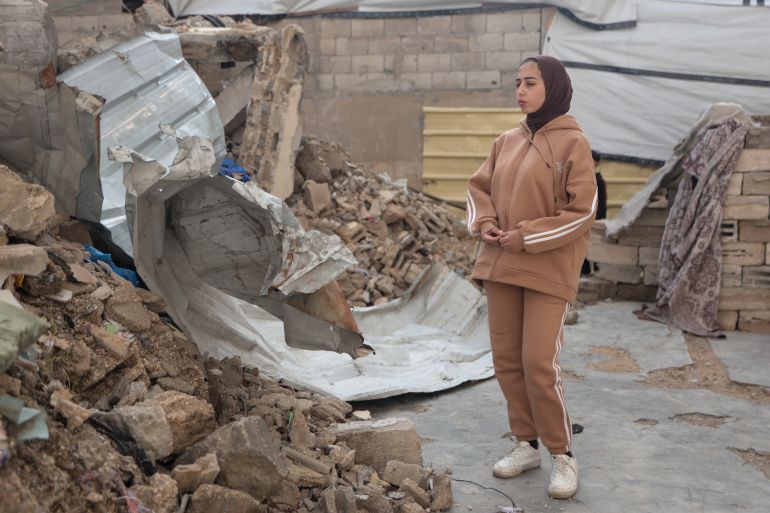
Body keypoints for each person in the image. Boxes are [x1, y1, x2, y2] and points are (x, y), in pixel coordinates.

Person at [465, 55, 597, 499]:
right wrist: (484, 223)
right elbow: (477, 188)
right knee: (506, 361)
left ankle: (562, 454)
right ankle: (526, 443)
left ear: (554, 88)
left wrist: (525, 236)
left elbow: (582, 212)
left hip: (547, 268)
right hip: (501, 266)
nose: (520, 91)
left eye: (531, 83)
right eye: (517, 83)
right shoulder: (505, 141)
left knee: (539, 364)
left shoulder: (574, 143)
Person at [581, 150, 607, 275]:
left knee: (593, 245)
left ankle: (596, 271)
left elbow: (602, 204)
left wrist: (598, 220)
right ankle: (584, 271)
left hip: (593, 218)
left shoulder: (599, 180)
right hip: (582, 217)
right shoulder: (582, 176)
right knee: (582, 246)